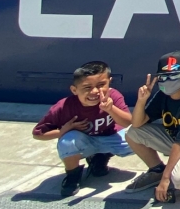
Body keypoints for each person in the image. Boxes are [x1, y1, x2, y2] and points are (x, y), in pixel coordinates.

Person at [32, 60, 133, 197]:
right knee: (67, 141)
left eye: (101, 85)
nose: (95, 91)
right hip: (85, 142)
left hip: (109, 138)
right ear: (74, 90)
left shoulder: (113, 96)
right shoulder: (64, 106)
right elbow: (38, 134)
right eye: (87, 87)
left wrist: (111, 109)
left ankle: (99, 158)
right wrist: (64, 130)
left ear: (109, 82)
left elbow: (128, 122)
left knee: (138, 138)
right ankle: (73, 176)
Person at [126, 52, 180, 204]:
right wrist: (141, 101)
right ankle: (156, 170)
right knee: (132, 133)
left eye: (173, 76)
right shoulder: (164, 95)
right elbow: (137, 124)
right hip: (175, 140)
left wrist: (166, 180)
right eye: (163, 76)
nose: (167, 81)